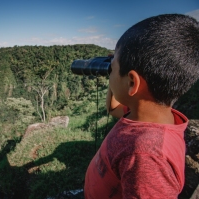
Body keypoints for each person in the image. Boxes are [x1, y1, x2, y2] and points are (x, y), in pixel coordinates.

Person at [84, 14, 199, 199]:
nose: (109, 72)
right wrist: (116, 73)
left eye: (112, 68)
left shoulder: (147, 155)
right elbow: (113, 109)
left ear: (132, 82)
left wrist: (117, 72)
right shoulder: (144, 114)